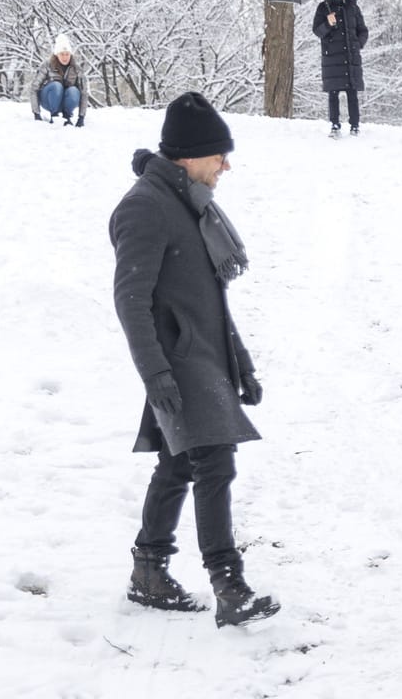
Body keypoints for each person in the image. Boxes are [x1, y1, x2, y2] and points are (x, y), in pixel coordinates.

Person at [109, 91, 279, 628]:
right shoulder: (145, 207)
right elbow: (130, 299)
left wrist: (242, 363)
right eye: (218, 156)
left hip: (204, 356)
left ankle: (148, 571)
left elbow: (209, 297)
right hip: (178, 362)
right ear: (188, 155)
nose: (225, 166)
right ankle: (229, 585)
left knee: (179, 464)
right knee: (215, 464)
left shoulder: (189, 203)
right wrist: (155, 372)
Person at [312, 0, 369, 137]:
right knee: (333, 93)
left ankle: (355, 126)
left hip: (351, 58)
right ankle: (335, 125)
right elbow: (317, 31)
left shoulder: (353, 7)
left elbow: (363, 30)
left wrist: (358, 44)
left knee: (352, 93)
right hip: (332, 58)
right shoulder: (324, 8)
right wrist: (328, 24)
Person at [30, 34, 87, 126]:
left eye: (67, 54)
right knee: (56, 86)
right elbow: (34, 88)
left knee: (74, 90)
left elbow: (84, 93)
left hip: (67, 101)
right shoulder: (47, 66)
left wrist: (81, 117)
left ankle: (67, 116)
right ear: (57, 54)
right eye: (62, 54)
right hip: (48, 100)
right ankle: (54, 115)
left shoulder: (77, 69)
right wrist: (36, 113)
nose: (65, 57)